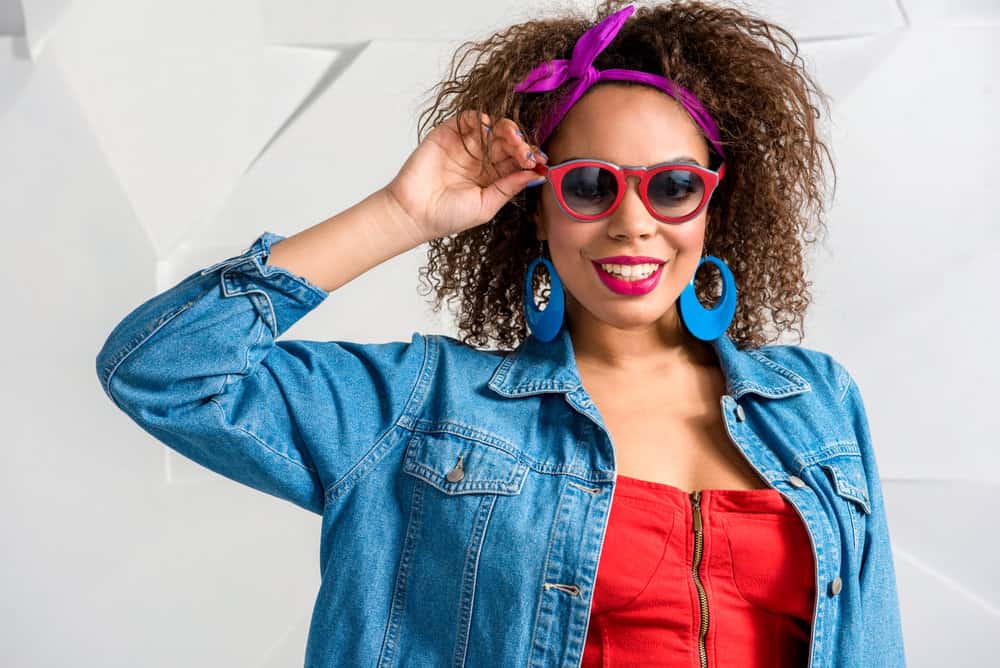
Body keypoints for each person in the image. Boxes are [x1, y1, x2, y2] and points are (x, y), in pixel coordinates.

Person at [95, 1, 906, 666]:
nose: (633, 223)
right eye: (589, 185)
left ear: (714, 206)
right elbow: (166, 368)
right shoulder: (425, 410)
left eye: (672, 187)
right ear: (537, 205)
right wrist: (400, 215)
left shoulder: (815, 401)